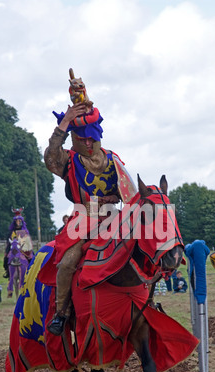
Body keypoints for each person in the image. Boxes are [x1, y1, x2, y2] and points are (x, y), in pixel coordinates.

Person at [44, 70, 133, 336]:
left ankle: (146, 299)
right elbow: (49, 157)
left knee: (140, 248)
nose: (88, 142)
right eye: (82, 138)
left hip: (113, 218)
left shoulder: (112, 159)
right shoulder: (68, 161)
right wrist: (65, 122)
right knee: (69, 261)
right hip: (82, 220)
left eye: (91, 137)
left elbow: (127, 194)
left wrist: (112, 198)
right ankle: (62, 313)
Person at [3, 208, 34, 278]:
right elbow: (8, 242)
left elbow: (27, 240)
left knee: (32, 257)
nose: (18, 222)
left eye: (19, 220)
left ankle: (31, 271)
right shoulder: (11, 231)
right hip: (13, 248)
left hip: (23, 248)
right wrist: (6, 251)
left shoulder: (25, 231)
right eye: (17, 221)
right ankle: (8, 272)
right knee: (6, 259)